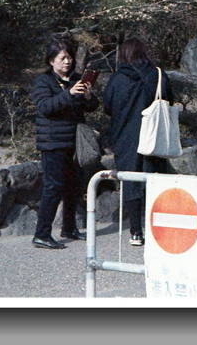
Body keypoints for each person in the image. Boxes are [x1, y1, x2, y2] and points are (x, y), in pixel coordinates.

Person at [101, 38, 173, 247]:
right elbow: (170, 100)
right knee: (155, 181)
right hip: (154, 137)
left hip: (125, 138)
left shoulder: (117, 79)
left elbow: (107, 107)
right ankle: (157, 229)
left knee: (131, 183)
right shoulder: (157, 75)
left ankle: (135, 232)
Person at [30, 40, 98, 250]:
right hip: (53, 142)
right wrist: (69, 93)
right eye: (62, 58)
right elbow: (45, 107)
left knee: (73, 186)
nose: (67, 62)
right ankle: (41, 234)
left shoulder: (76, 79)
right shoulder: (43, 81)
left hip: (73, 142)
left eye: (69, 57)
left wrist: (88, 96)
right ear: (51, 61)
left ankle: (69, 228)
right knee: (53, 187)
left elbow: (92, 107)